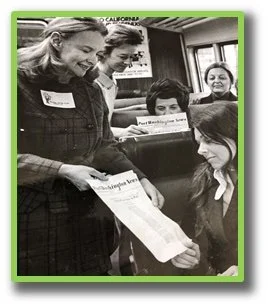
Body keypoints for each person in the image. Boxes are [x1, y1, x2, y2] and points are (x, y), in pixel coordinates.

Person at [17, 17, 164, 276]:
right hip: (34, 215)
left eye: (96, 53)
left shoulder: (90, 89)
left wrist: (139, 179)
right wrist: (62, 169)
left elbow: (105, 146)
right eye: (85, 50)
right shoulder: (17, 83)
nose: (91, 60)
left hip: (88, 212)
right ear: (56, 41)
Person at [172, 101, 238, 276]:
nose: (201, 150)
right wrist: (187, 255)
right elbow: (189, 232)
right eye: (199, 142)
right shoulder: (204, 180)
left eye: (209, 140)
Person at [95, 24, 148, 138]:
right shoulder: (91, 82)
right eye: (123, 57)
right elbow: (88, 128)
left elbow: (105, 113)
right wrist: (121, 132)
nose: (128, 63)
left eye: (131, 57)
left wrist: (134, 108)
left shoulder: (111, 80)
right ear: (104, 52)